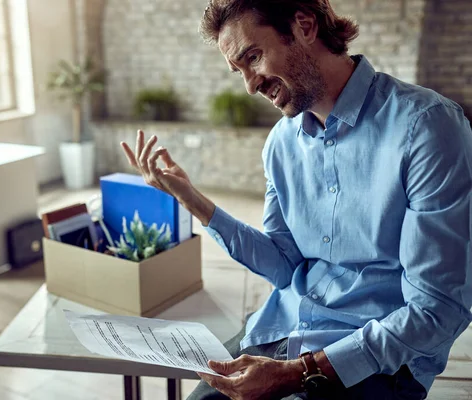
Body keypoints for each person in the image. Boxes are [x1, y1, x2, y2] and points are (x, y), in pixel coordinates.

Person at [120, 0, 472, 398]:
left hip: (375, 362)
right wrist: (192, 200)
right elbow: (285, 266)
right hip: (282, 327)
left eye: (253, 57)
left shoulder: (426, 127)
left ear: (304, 26)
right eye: (238, 70)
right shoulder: (281, 144)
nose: (250, 85)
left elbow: (438, 310)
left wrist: (296, 372)